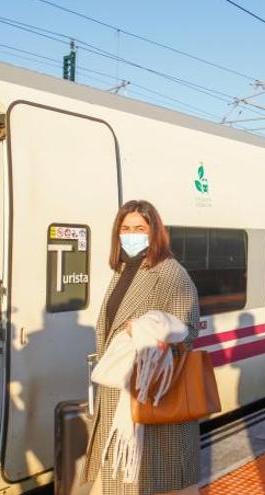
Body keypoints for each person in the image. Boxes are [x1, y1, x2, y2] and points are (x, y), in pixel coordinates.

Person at [83, 200, 201, 495]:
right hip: (121, 391)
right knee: (119, 478)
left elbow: (188, 330)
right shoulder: (124, 269)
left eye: (139, 228)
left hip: (152, 392)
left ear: (154, 232)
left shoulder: (171, 273)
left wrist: (146, 330)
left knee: (158, 481)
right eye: (125, 228)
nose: (131, 234)